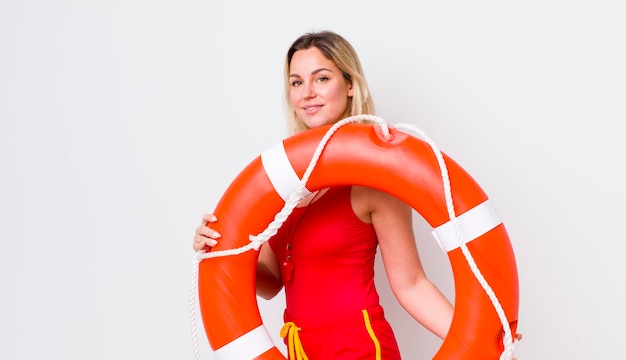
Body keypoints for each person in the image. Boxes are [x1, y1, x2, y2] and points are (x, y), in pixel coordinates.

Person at [193, 30, 454, 359]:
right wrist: (221, 248)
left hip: (358, 347)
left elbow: (412, 284)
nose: (307, 93)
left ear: (349, 85)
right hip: (300, 348)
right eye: (297, 82)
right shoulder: (287, 184)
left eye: (322, 78)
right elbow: (272, 282)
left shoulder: (373, 180)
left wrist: (487, 340)